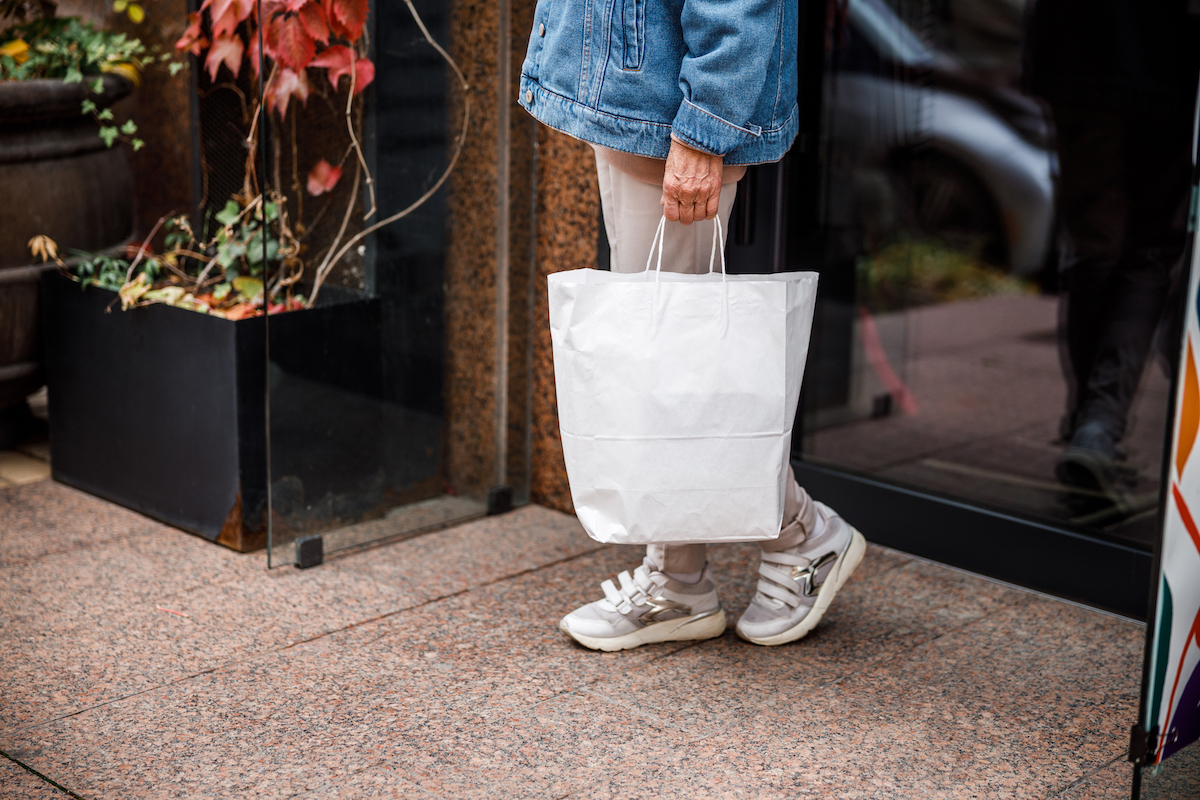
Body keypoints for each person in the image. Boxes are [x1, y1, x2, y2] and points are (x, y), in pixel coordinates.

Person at [518, 0, 866, 651]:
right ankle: (678, 579)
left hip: (665, 97)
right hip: (634, 86)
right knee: (663, 357)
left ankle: (803, 534)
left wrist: (705, 125)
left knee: (668, 363)